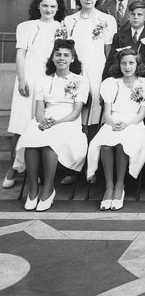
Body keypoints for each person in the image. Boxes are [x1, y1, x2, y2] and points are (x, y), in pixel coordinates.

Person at [13, 39, 89, 211]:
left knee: (50, 141)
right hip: (46, 118)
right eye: (58, 55)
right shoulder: (43, 79)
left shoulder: (80, 81)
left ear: (72, 59)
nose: (62, 58)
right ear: (53, 58)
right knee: (31, 138)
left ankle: (48, 189)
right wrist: (41, 121)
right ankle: (33, 190)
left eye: (66, 55)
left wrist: (57, 122)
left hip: (68, 120)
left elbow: (76, 111)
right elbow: (39, 109)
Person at [4, 0, 66, 190]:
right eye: (45, 5)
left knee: (41, 123)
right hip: (29, 78)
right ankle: (13, 169)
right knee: (21, 125)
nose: (49, 9)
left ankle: (36, 171)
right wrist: (21, 78)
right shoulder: (26, 26)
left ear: (58, 9)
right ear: (38, 6)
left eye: (53, 6)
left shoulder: (61, 28)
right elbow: (20, 54)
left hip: (48, 80)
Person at [87, 48, 145, 210]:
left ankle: (119, 186)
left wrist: (127, 124)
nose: (127, 67)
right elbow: (107, 111)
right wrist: (111, 122)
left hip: (134, 123)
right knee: (105, 144)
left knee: (121, 144)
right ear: (118, 64)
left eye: (131, 63)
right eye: (123, 63)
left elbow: (141, 114)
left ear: (138, 64)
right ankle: (109, 187)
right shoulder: (110, 83)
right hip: (112, 121)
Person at [64, 0, 117, 127]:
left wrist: (108, 74)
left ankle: (92, 139)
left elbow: (108, 51)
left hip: (97, 67)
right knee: (74, 101)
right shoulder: (69, 21)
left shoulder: (106, 20)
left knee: (95, 103)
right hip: (75, 69)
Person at [103, 1, 145, 90]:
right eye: (133, 14)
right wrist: (105, 84)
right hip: (122, 83)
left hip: (144, 83)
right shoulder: (119, 36)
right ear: (128, 16)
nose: (135, 17)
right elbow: (110, 62)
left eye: (139, 15)